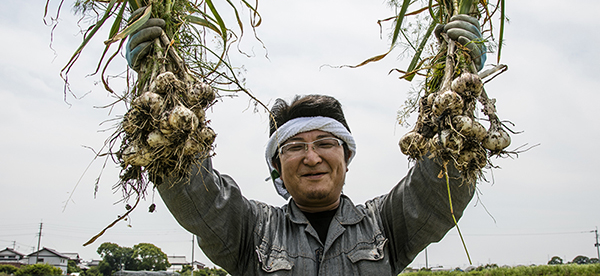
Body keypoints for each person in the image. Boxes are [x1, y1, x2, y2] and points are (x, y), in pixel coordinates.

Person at [125, 15, 485, 275]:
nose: (312, 157)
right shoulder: (252, 230)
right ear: (277, 167)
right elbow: (193, 190)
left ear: (346, 156)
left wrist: (461, 83)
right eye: (294, 147)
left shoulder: (384, 225)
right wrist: (156, 82)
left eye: (325, 143)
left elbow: (439, 188)